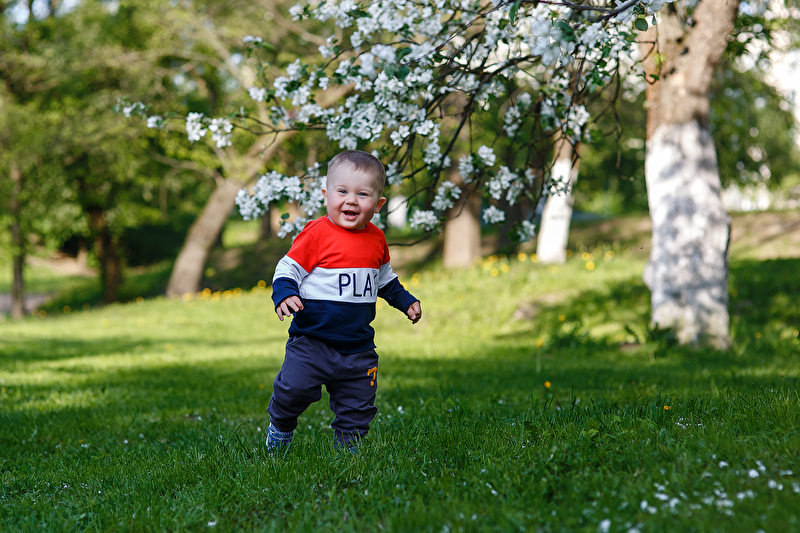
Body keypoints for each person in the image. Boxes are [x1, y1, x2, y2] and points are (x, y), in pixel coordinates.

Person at [266, 150, 422, 452]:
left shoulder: (376, 239)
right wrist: (285, 293)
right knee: (293, 390)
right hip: (312, 341)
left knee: (358, 403)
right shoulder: (316, 234)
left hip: (358, 346)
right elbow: (288, 268)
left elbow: (383, 278)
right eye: (342, 192)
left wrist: (405, 301)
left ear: (378, 205)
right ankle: (281, 427)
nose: (351, 200)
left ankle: (348, 450)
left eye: (362, 194)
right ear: (326, 196)